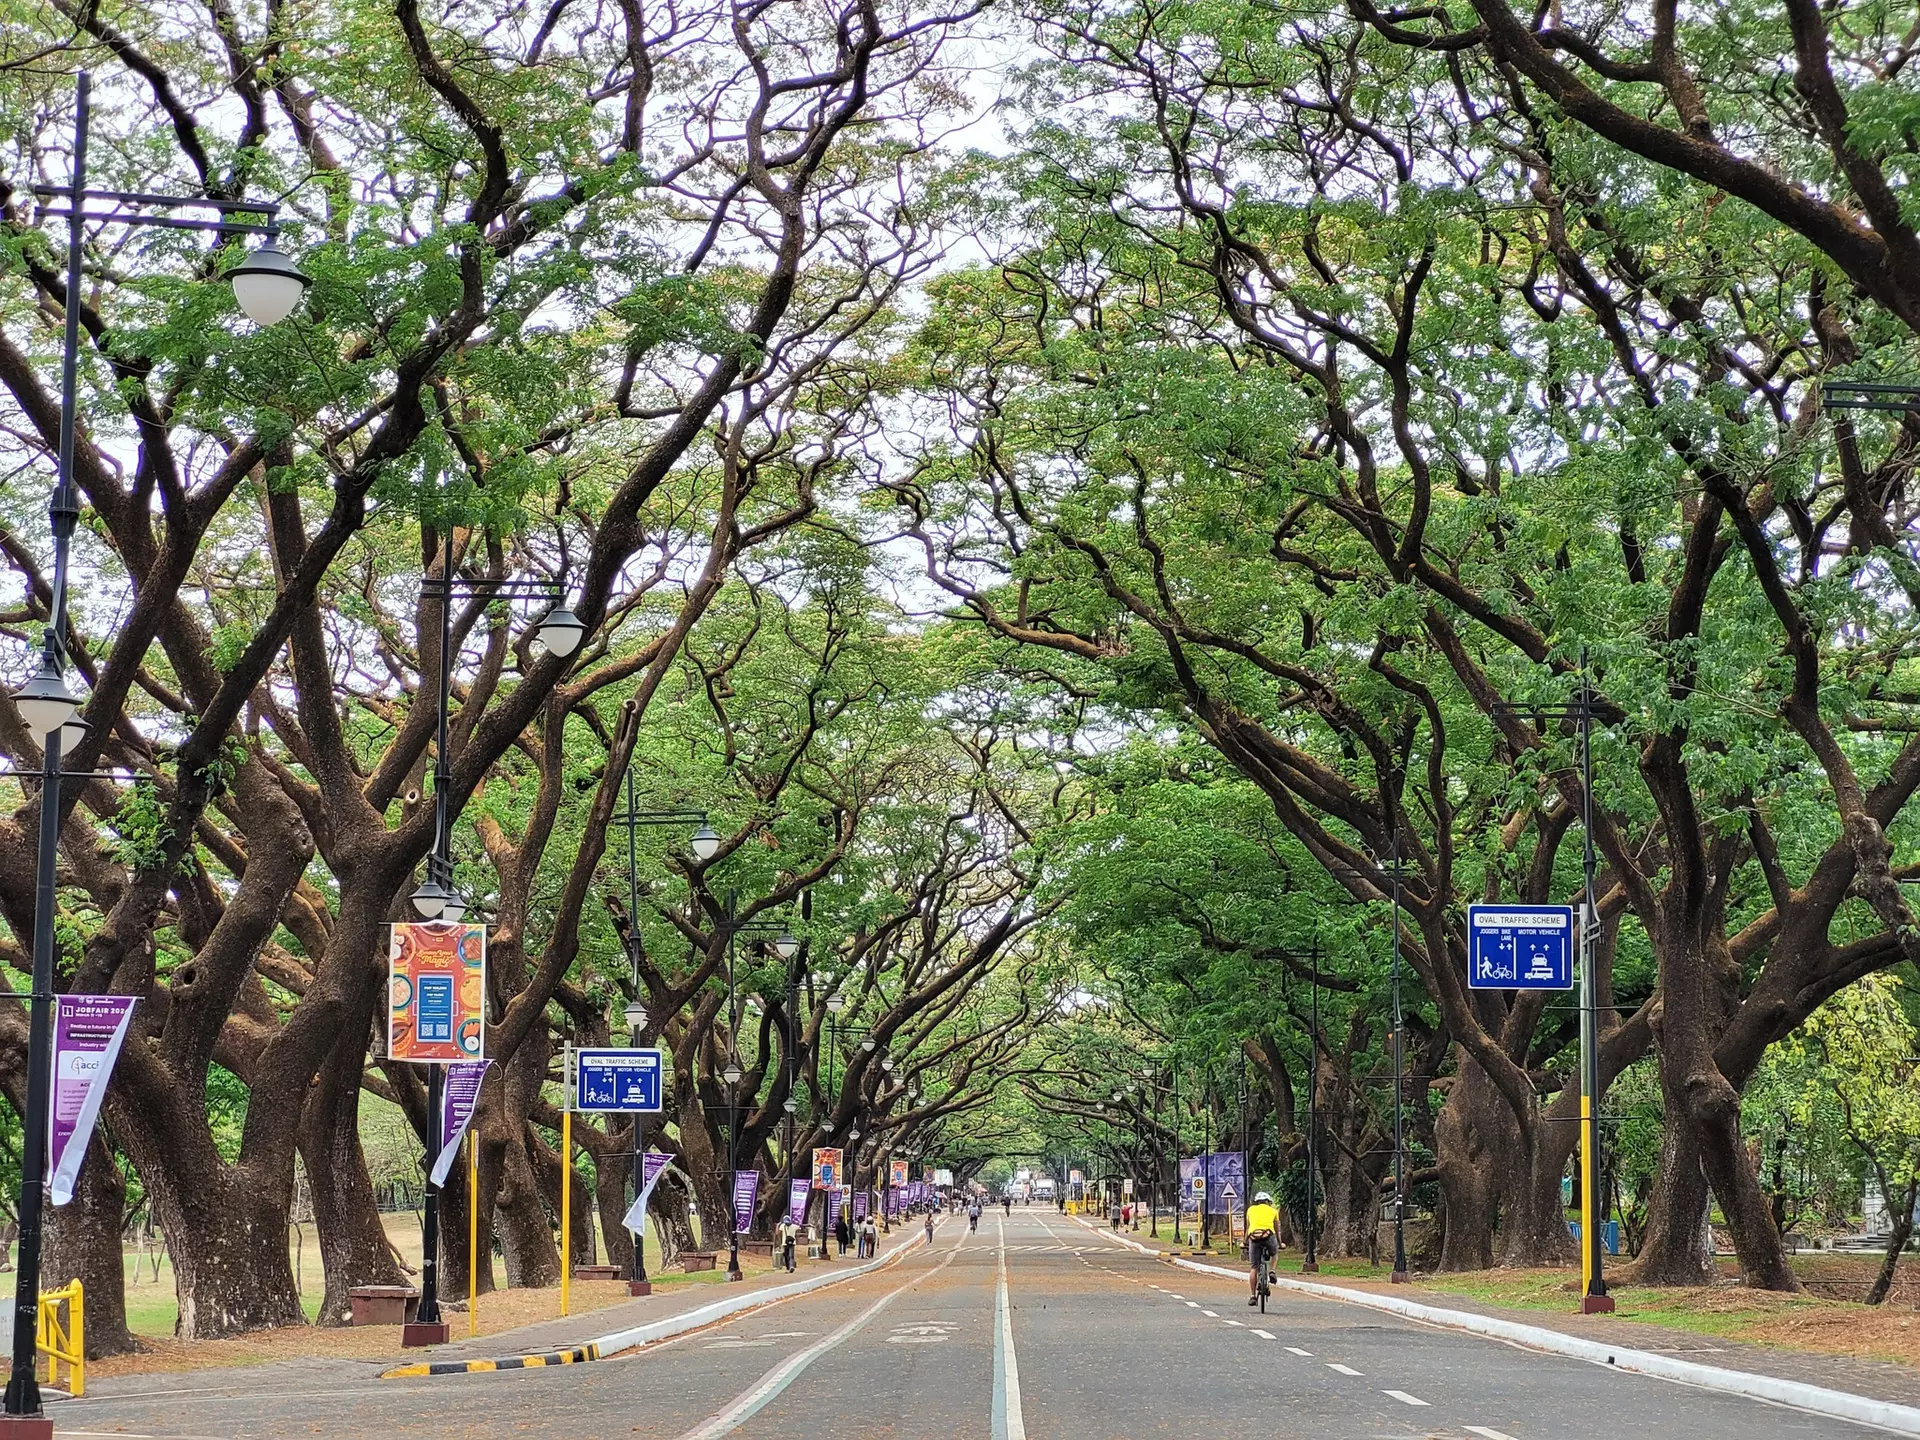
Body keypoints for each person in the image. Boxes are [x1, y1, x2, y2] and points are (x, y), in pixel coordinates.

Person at [1245, 1189, 1280, 1306]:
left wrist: (1244, 1242)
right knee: (1274, 1254)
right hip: (1268, 1236)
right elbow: (1276, 1230)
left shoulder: (1250, 1210)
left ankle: (1252, 1296)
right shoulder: (1273, 1211)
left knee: (1254, 1267)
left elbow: (1248, 1228)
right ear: (1268, 1202)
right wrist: (1280, 1243)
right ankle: (1272, 1271)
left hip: (1254, 1237)